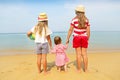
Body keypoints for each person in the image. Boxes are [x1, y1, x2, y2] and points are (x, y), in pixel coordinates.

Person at [66, 5, 90, 72]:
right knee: (84, 54)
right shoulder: (86, 20)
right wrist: (87, 38)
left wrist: (68, 38)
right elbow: (88, 31)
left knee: (78, 54)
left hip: (76, 37)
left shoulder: (74, 20)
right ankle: (86, 69)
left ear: (76, 12)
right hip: (84, 37)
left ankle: (79, 70)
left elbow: (70, 30)